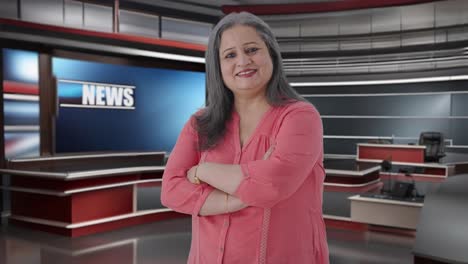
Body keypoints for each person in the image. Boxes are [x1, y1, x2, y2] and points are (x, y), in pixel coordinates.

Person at [161, 12, 329, 264]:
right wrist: (238, 198)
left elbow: (271, 186)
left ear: (271, 53)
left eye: (252, 49)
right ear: (218, 67)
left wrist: (202, 171)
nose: (243, 61)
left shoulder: (301, 117)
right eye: (230, 55)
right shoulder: (200, 123)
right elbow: (171, 190)